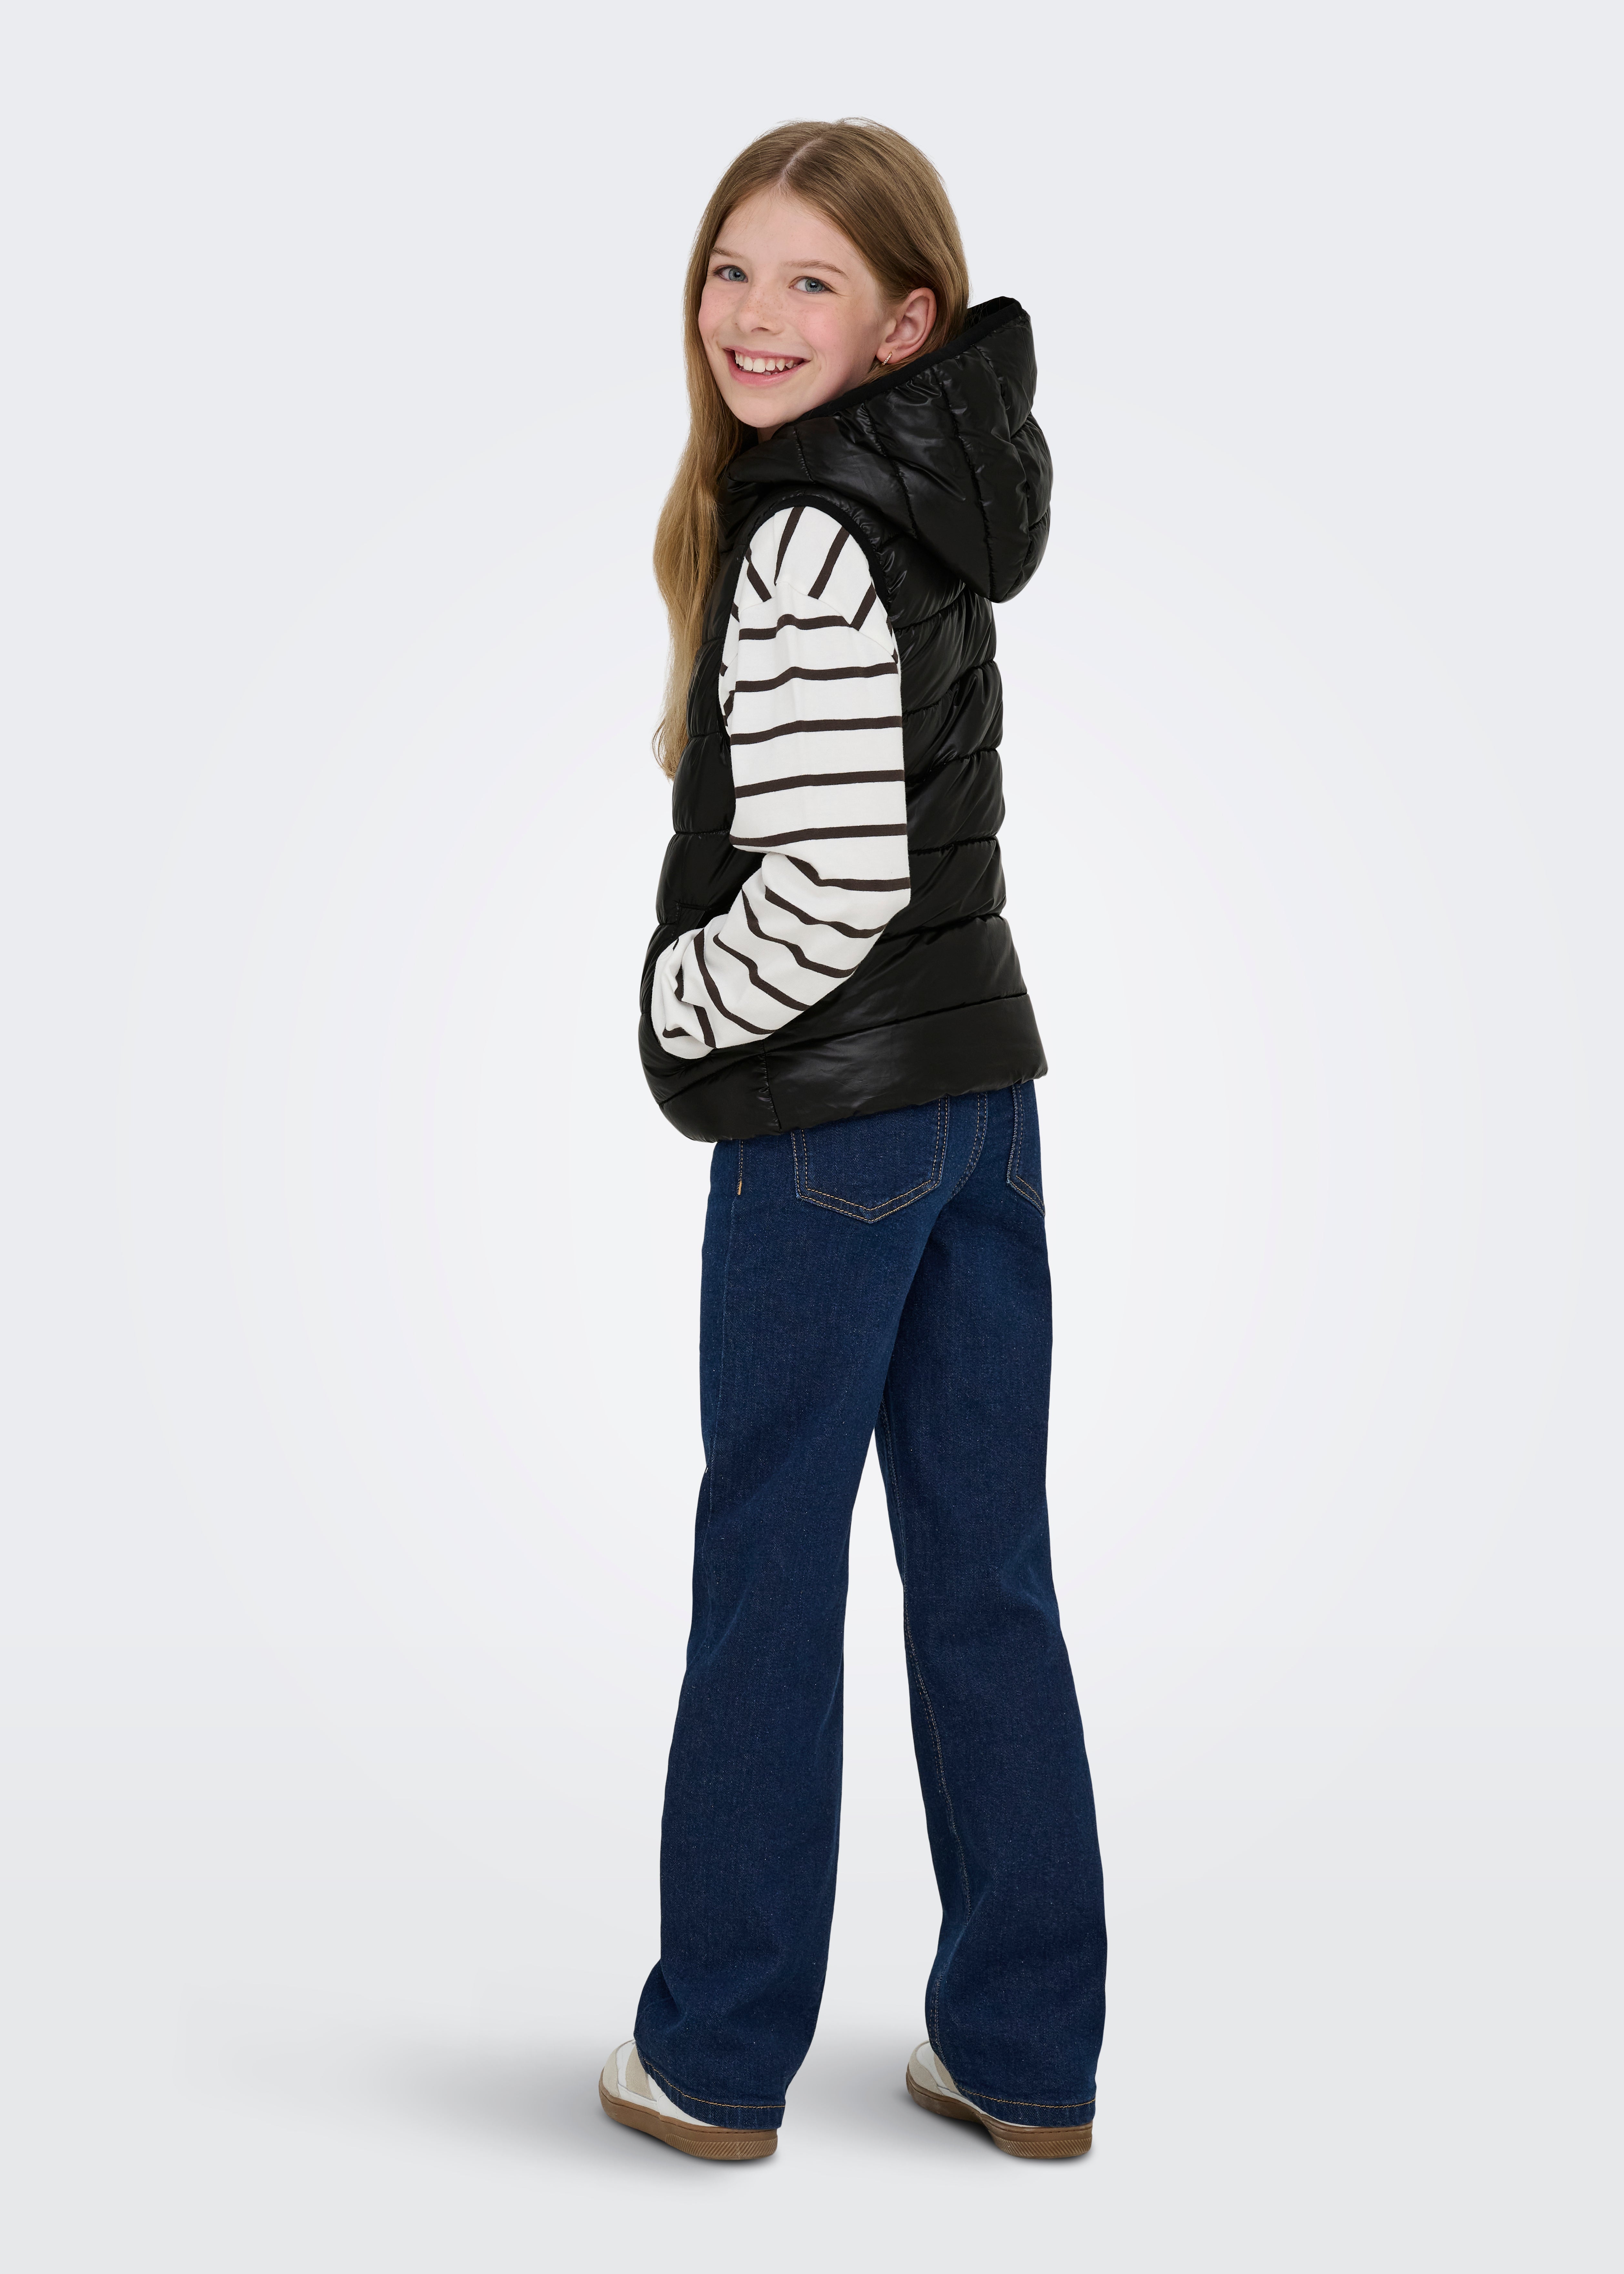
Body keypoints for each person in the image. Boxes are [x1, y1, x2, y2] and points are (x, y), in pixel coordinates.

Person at [599, 118, 1105, 2163]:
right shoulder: (927, 496)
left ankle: (719, 2054)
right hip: (979, 1101)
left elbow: (829, 886)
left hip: (837, 1128)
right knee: (983, 1568)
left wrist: (676, 1004)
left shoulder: (807, 531)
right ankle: (1024, 2050)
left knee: (770, 1566)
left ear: (905, 319)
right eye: (731, 267)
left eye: (810, 279)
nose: (751, 313)